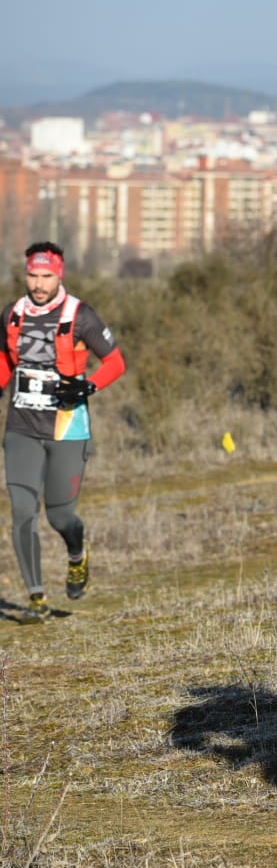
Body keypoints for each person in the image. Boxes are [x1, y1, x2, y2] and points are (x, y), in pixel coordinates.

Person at [0, 242, 127, 624]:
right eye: (32, 276)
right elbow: (6, 361)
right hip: (21, 426)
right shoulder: (12, 314)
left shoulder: (80, 315)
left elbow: (116, 362)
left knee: (60, 515)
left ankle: (77, 554)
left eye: (46, 276)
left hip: (68, 427)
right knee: (22, 512)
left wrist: (88, 386)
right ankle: (36, 599)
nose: (38, 284)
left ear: (60, 275)